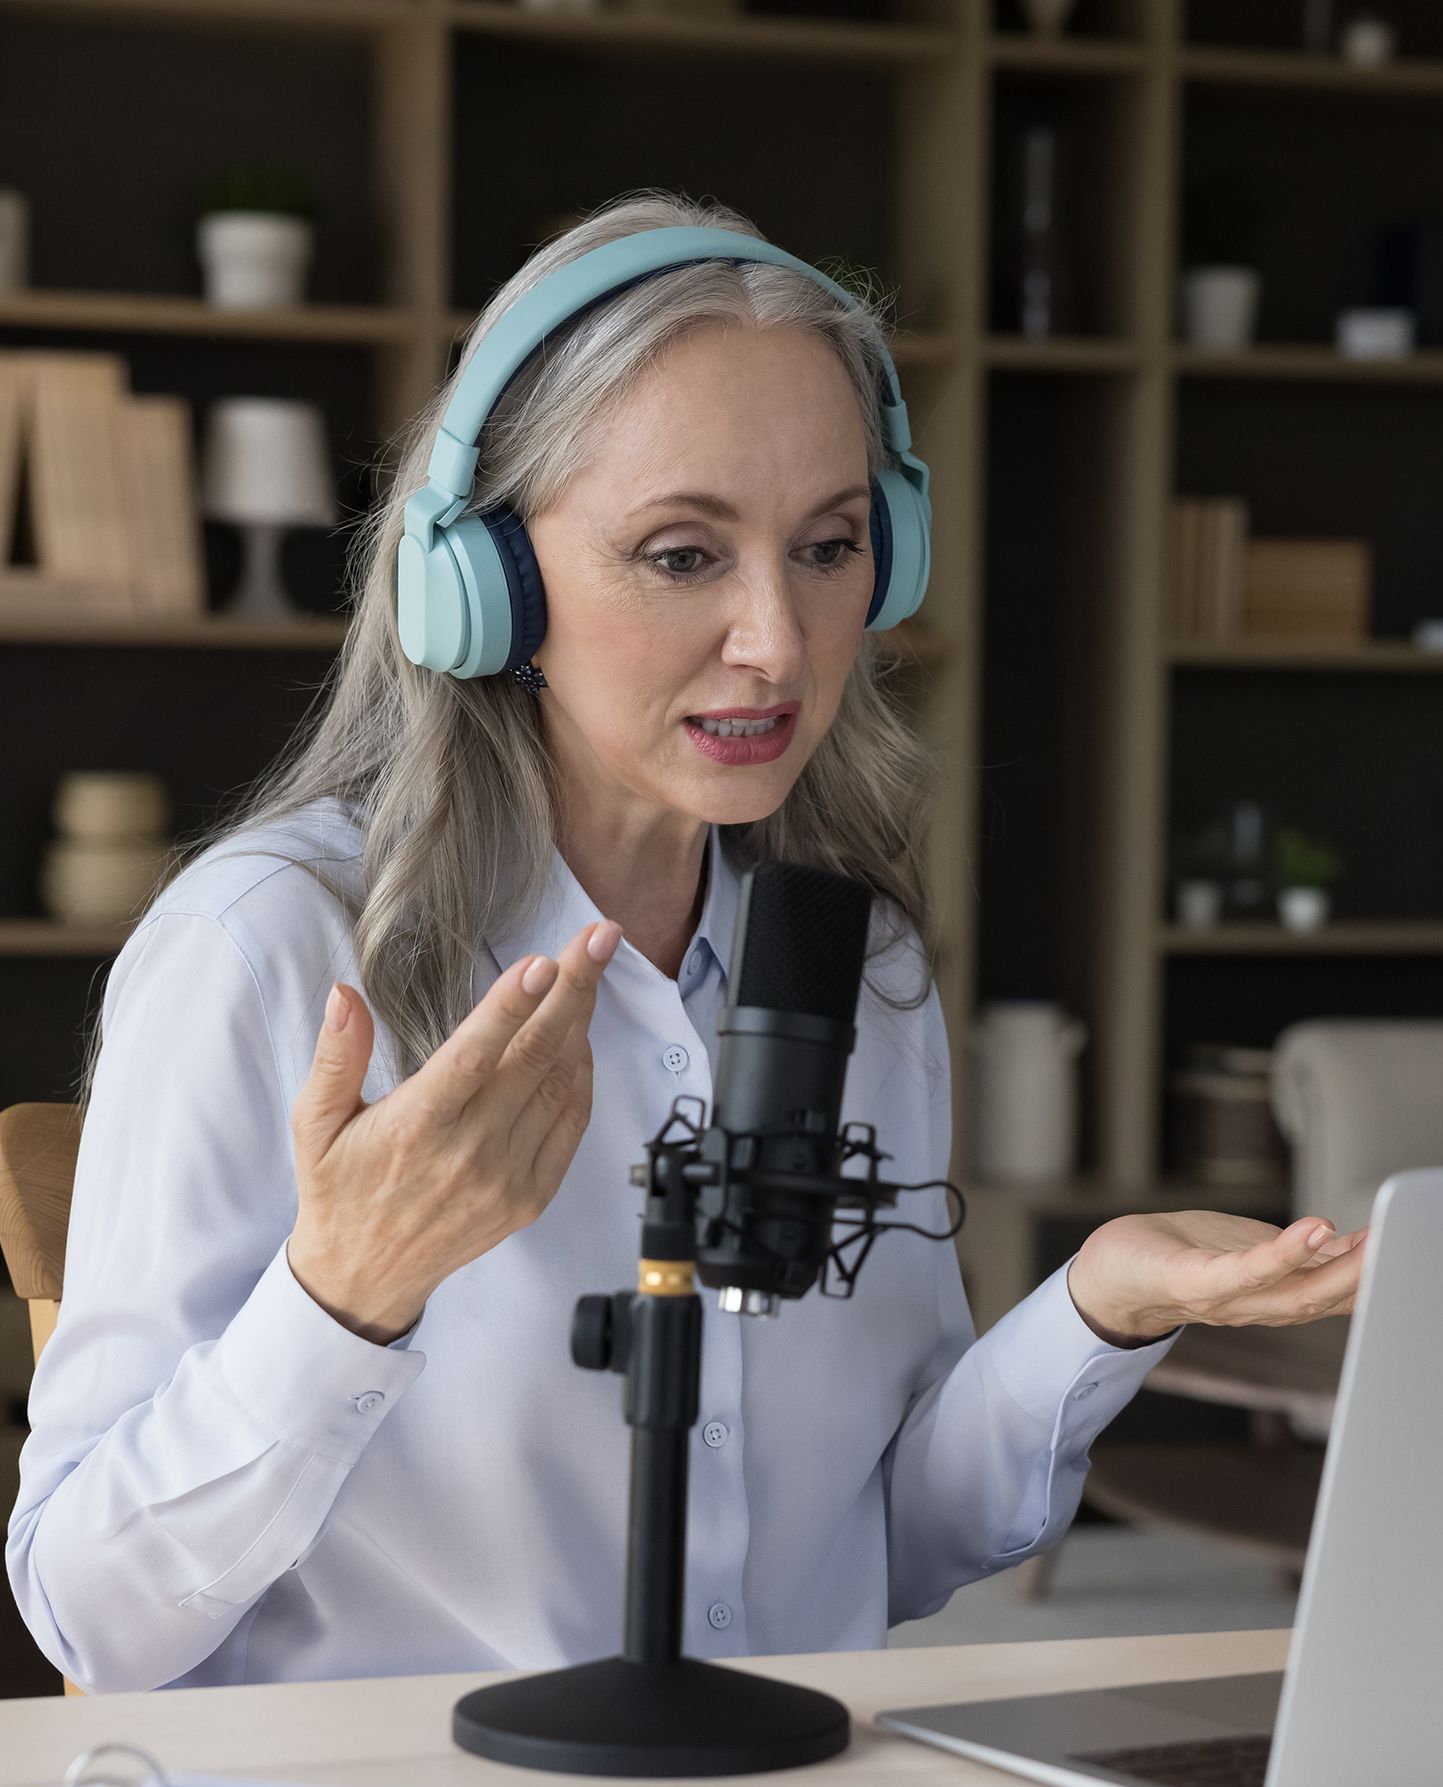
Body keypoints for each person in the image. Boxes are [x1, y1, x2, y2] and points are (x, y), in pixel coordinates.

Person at [7, 191, 1366, 1693]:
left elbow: (878, 1545)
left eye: (831, 544)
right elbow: (91, 1616)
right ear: (489, 585)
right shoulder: (265, 949)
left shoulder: (854, 971)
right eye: (680, 554)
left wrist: (1102, 1305)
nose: (778, 642)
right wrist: (344, 1294)